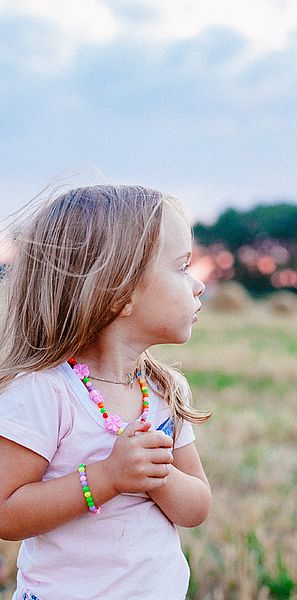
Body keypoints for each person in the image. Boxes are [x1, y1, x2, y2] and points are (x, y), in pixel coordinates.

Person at [0, 185, 212, 600]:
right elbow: (6, 512)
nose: (199, 284)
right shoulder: (44, 392)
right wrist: (106, 478)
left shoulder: (164, 391)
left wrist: (158, 476)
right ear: (120, 292)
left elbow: (196, 508)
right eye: (183, 266)